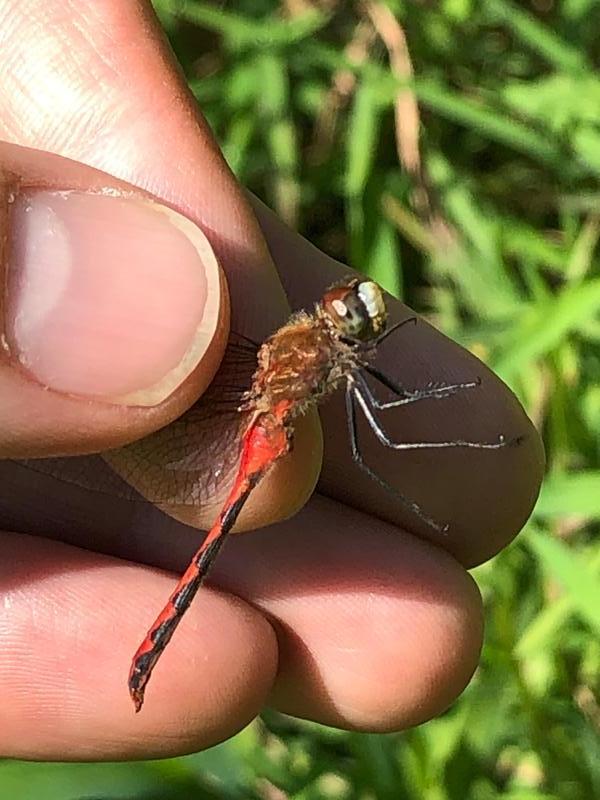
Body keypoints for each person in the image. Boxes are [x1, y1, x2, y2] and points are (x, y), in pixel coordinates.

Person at [0, 0, 544, 760]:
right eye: (351, 316)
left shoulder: (298, 346)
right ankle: (156, 641)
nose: (358, 312)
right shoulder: (306, 359)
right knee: (386, 427)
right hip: (254, 420)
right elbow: (382, 419)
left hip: (253, 410)